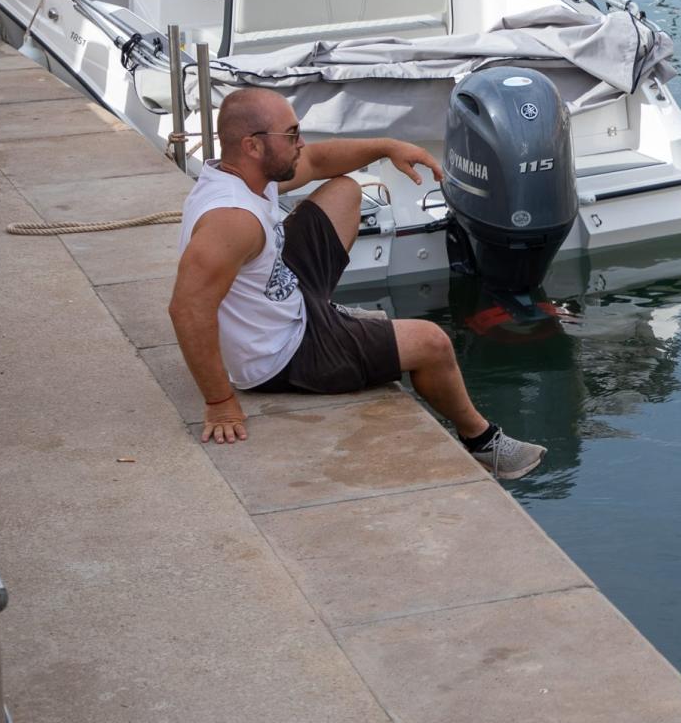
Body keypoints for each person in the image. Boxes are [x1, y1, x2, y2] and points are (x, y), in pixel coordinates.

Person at [168, 88, 546, 480]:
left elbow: (316, 161)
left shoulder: (246, 174)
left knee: (344, 190)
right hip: (281, 354)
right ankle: (484, 442)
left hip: (283, 296)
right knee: (432, 343)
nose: (300, 144)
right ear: (252, 146)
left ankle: (325, 311)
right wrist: (220, 401)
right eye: (291, 135)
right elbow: (187, 308)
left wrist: (387, 146)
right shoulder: (232, 219)